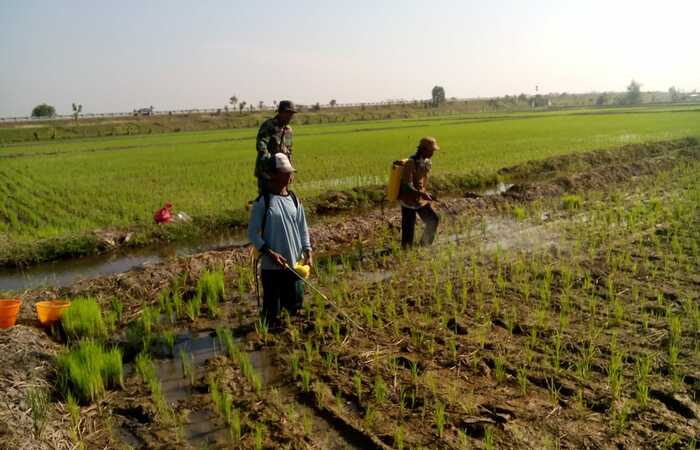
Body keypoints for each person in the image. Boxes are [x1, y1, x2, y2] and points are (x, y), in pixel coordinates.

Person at [248, 153, 312, 326]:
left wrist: (308, 252)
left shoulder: (294, 200)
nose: (290, 175)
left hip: (293, 265)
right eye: (285, 172)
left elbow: (303, 229)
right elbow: (253, 234)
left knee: (295, 311)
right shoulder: (263, 202)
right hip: (272, 268)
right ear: (273, 175)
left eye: (290, 172)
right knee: (272, 315)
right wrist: (270, 253)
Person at [399, 137, 440, 248]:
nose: (433, 153)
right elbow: (406, 186)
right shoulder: (410, 163)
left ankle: (424, 245)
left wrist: (427, 194)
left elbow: (422, 183)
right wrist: (422, 194)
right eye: (431, 151)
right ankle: (405, 254)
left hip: (419, 200)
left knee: (433, 219)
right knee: (408, 234)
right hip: (408, 202)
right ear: (423, 149)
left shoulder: (426, 162)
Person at [255, 100, 297, 194]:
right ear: (281, 112)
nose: (290, 116)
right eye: (288, 113)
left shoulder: (288, 130)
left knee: (282, 199)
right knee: (267, 201)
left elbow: (289, 151)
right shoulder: (268, 126)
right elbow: (261, 147)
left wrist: (289, 171)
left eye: (292, 114)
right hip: (268, 174)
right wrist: (273, 165)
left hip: (283, 174)